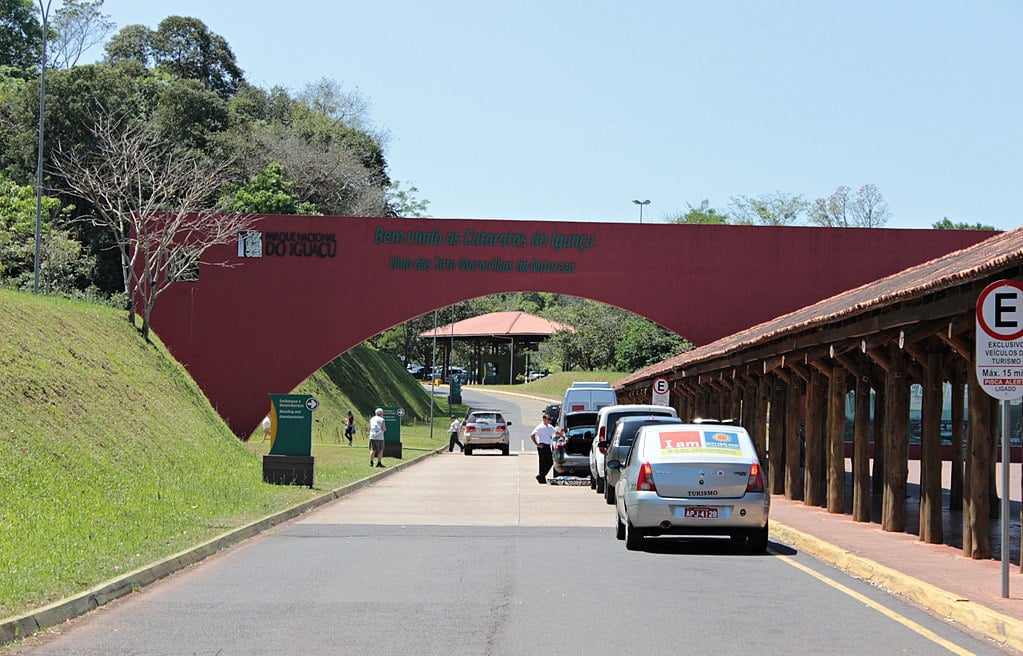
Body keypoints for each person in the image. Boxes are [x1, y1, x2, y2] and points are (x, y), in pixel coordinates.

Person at [530, 413, 557, 484]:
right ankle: (541, 477)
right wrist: (537, 444)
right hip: (542, 446)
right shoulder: (540, 427)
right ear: (544, 419)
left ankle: (541, 476)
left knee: (549, 462)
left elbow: (556, 432)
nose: (550, 420)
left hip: (547, 446)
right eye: (548, 419)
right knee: (543, 462)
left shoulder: (549, 426)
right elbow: (532, 435)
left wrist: (564, 437)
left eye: (550, 419)